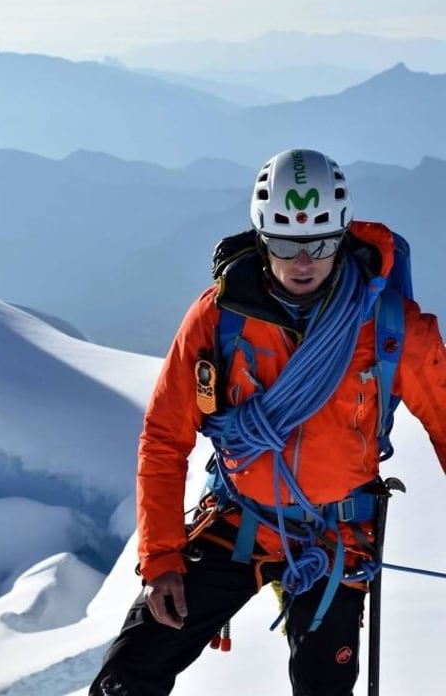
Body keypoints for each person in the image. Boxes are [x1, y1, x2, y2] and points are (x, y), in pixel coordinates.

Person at [90, 148, 446, 696]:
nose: (303, 262)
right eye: (285, 244)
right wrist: (160, 556)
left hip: (334, 537)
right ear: (260, 236)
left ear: (344, 234)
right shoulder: (218, 317)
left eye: (320, 244)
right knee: (127, 677)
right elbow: (164, 439)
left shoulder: (393, 328)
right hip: (239, 518)